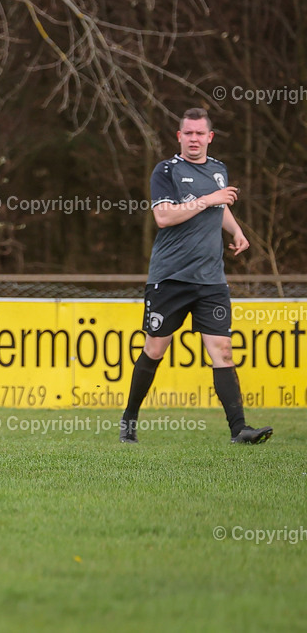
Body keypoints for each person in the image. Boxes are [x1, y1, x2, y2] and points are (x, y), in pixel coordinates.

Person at [120, 107, 272, 444]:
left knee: (222, 351)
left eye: (199, 133)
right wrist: (209, 200)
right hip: (170, 277)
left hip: (211, 280)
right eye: (187, 133)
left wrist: (236, 231)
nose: (193, 139)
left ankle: (239, 430)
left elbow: (221, 207)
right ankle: (129, 419)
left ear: (209, 137)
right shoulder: (166, 170)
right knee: (155, 349)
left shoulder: (219, 170)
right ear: (179, 136)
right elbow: (163, 216)